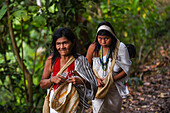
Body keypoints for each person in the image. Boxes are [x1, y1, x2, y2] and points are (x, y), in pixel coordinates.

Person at [40, 27, 98, 113]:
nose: (62, 47)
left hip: (74, 104)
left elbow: (93, 85)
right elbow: (42, 84)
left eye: (65, 43)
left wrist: (82, 81)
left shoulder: (80, 61)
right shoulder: (51, 60)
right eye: (58, 44)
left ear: (73, 42)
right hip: (55, 105)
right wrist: (52, 79)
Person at [86, 21, 132, 113]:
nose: (103, 42)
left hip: (114, 88)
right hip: (99, 87)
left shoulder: (120, 48)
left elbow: (126, 70)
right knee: (98, 110)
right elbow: (86, 66)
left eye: (106, 38)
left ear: (112, 37)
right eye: (100, 38)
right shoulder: (93, 47)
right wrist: (95, 79)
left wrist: (111, 80)